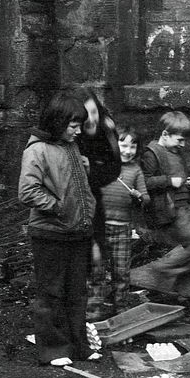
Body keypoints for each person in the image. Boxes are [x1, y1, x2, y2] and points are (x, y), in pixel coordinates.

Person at [18, 92, 98, 366]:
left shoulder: (70, 147)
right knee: (51, 293)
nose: (78, 130)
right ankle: (54, 350)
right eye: (73, 125)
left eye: (79, 125)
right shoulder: (37, 150)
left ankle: (77, 346)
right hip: (50, 233)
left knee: (77, 292)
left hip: (76, 231)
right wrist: (58, 207)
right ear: (57, 121)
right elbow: (27, 191)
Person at [139, 111, 190, 298]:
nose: (183, 145)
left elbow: (183, 175)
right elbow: (144, 182)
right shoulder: (152, 153)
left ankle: (182, 295)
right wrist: (169, 181)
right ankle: (162, 268)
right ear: (165, 134)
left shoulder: (175, 152)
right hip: (171, 210)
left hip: (186, 207)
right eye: (179, 140)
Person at [73, 88, 123, 319]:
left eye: (94, 112)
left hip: (93, 196)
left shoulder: (105, 128)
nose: (91, 119)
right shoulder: (70, 130)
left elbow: (114, 167)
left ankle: (96, 302)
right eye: (86, 115)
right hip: (70, 200)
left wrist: (91, 168)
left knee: (97, 248)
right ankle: (77, 300)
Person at [99, 126, 150, 311]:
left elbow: (146, 199)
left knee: (121, 272)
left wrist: (139, 197)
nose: (127, 151)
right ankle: (95, 310)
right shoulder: (103, 166)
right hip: (100, 228)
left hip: (122, 228)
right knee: (96, 270)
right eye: (123, 144)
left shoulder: (135, 171)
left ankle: (120, 309)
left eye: (132, 147)